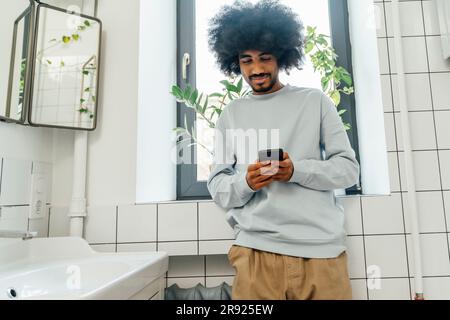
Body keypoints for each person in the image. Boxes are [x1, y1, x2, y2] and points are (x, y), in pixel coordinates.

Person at [206, 0, 360, 300]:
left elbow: (348, 170)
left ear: (281, 56)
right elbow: (220, 188)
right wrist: (247, 181)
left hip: (322, 253)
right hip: (255, 255)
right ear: (235, 62)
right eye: (246, 60)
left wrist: (296, 171)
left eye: (265, 58)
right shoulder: (231, 115)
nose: (257, 69)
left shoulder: (314, 102)